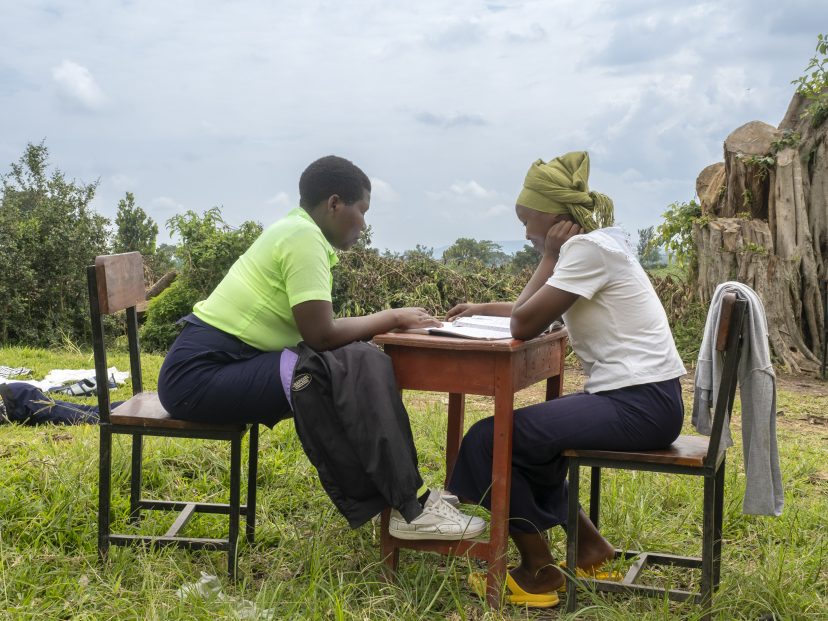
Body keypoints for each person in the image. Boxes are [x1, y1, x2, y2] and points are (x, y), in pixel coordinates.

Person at [157, 155, 485, 541]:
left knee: (357, 361)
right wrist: (392, 316)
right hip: (198, 376)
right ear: (334, 204)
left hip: (228, 362)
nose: (364, 223)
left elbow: (322, 332)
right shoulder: (302, 238)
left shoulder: (299, 233)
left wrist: (382, 323)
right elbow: (322, 336)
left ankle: (406, 498)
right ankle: (408, 504)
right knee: (326, 372)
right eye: (361, 210)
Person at [446, 151, 686, 606]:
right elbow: (528, 311)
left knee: (488, 438)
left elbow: (523, 324)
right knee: (531, 443)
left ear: (553, 217)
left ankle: (538, 572)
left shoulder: (583, 251)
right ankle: (591, 548)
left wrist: (551, 254)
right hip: (646, 400)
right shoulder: (597, 247)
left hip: (639, 404)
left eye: (527, 220)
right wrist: (482, 309)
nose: (525, 233)